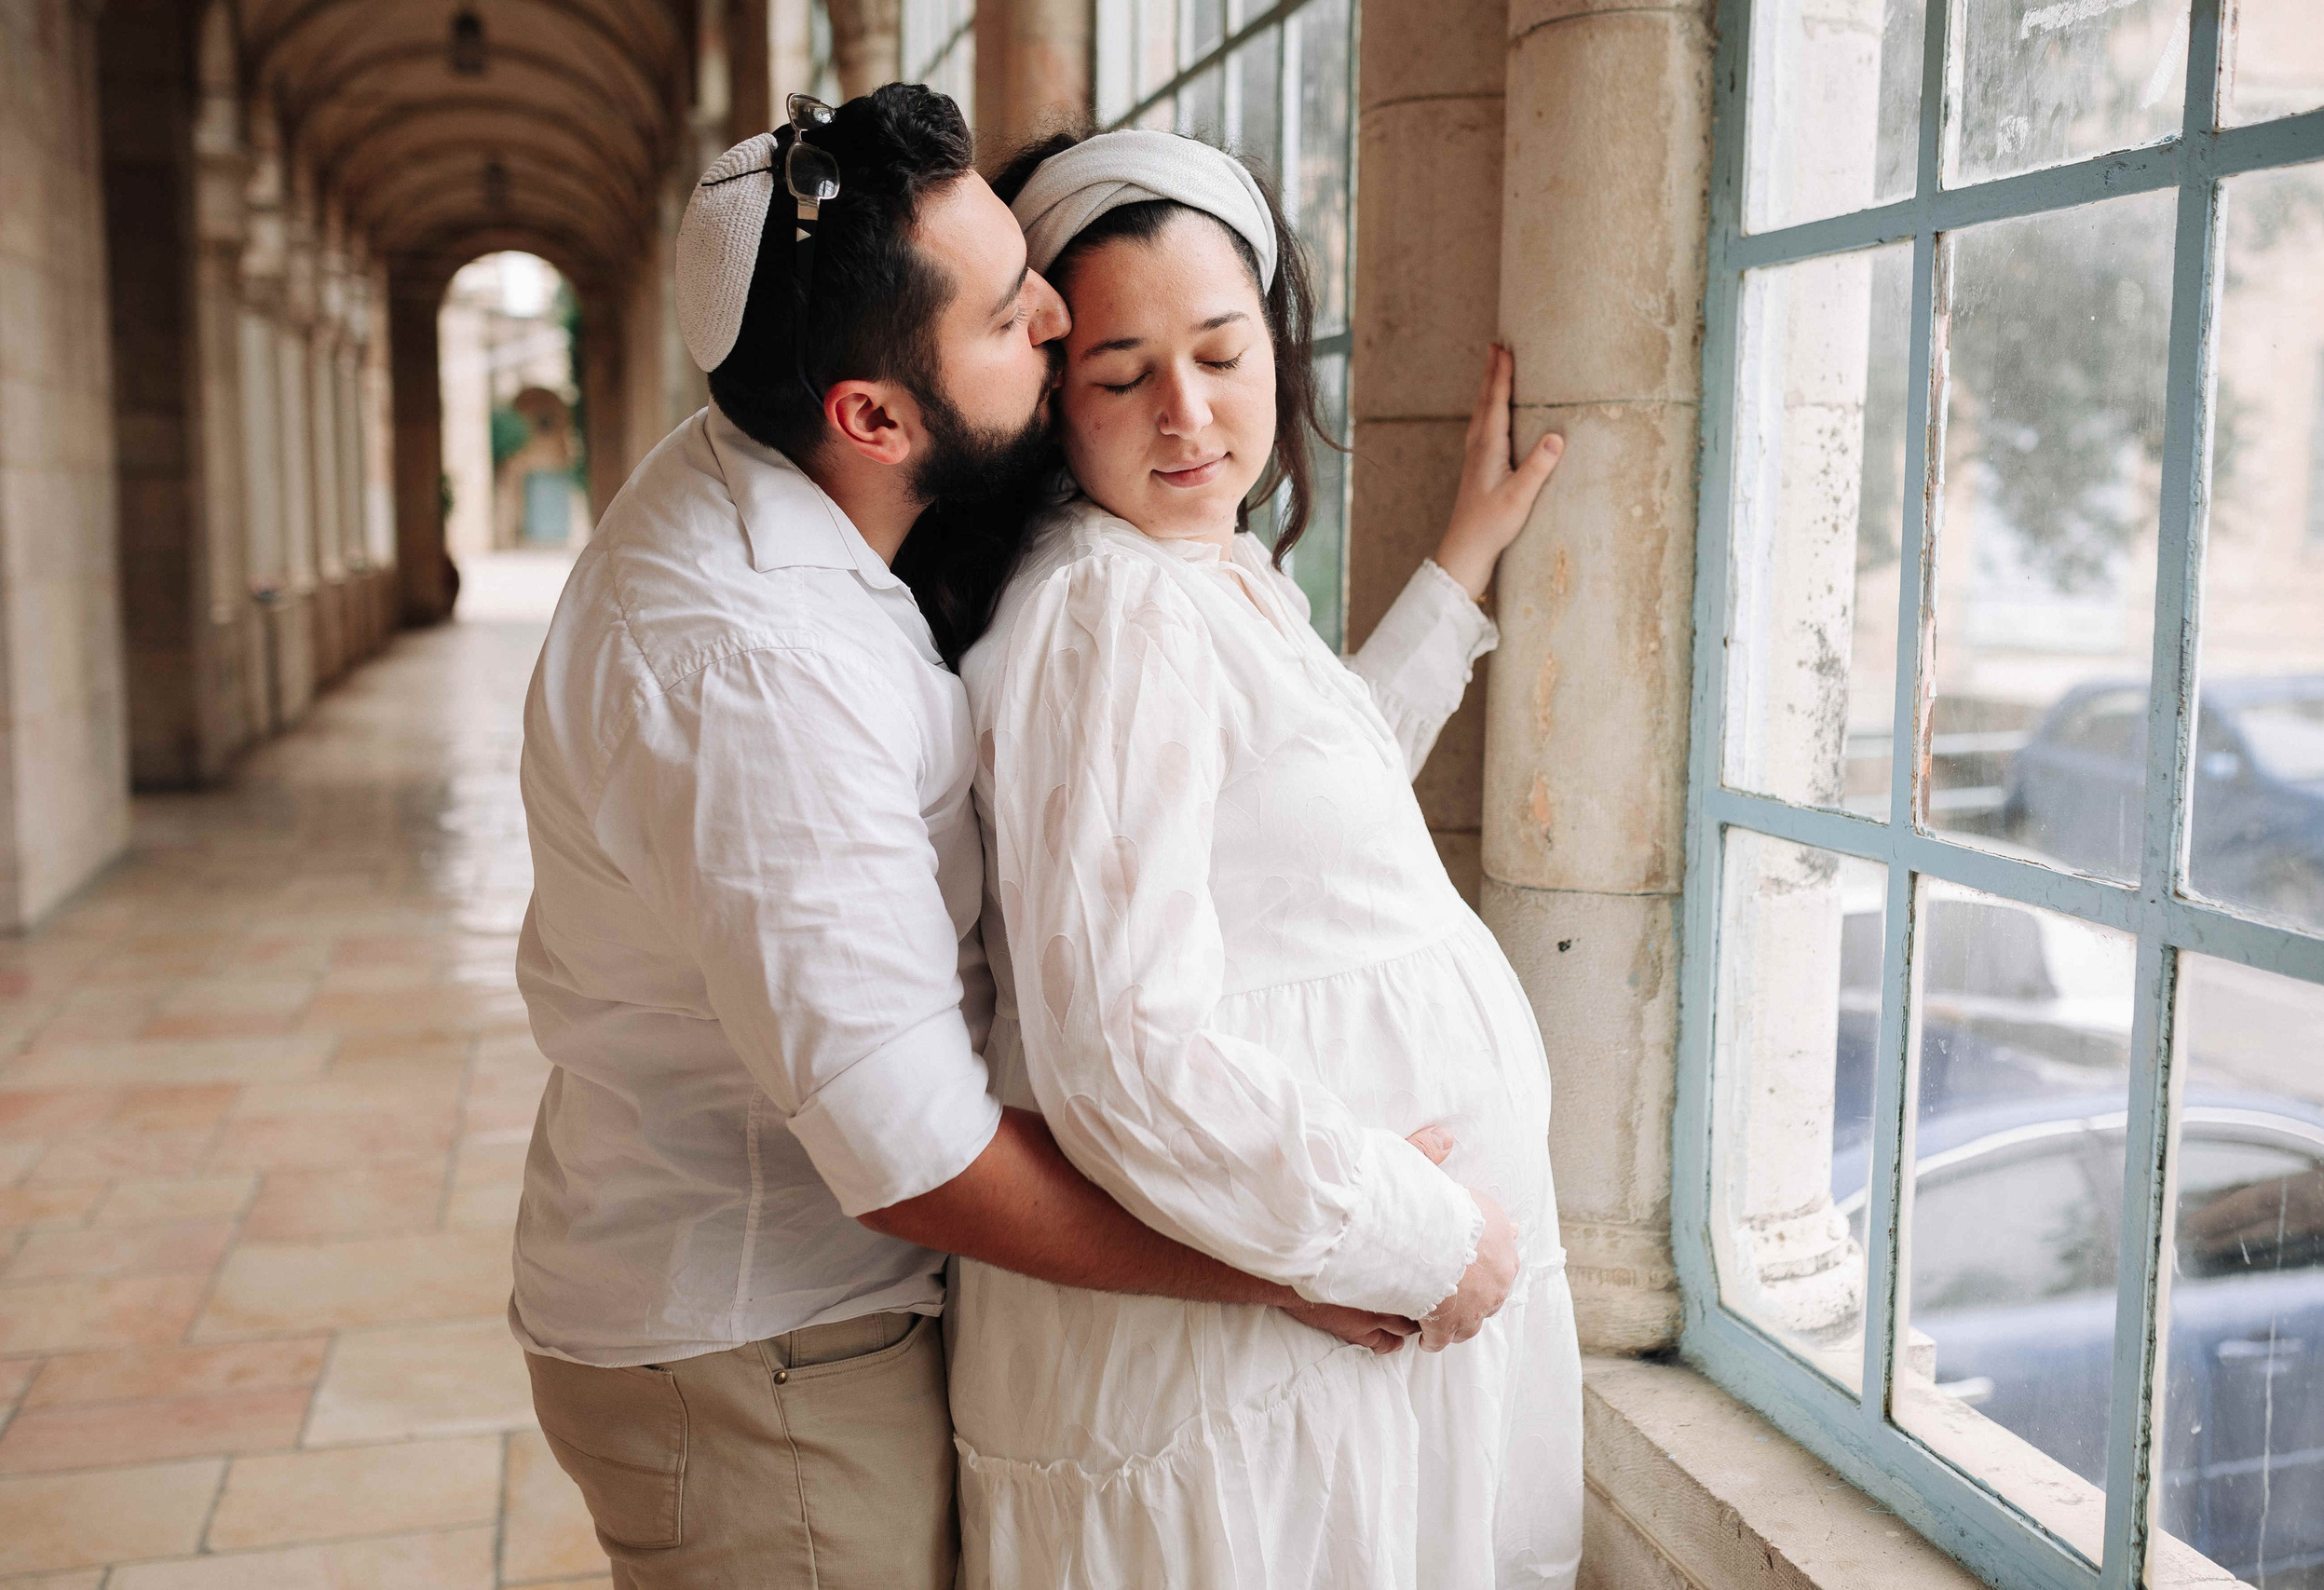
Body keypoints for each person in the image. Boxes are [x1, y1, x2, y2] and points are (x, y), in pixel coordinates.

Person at [509, 86, 1513, 1590]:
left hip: (813, 1317)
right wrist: (1297, 1259)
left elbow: (1287, 792)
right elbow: (918, 1153)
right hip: (764, 1352)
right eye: (1012, 316)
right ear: (873, 417)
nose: (1054, 314)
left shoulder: (808, 488)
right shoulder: (759, 675)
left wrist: (1454, 580)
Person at [932, 128, 1585, 1589]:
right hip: (1250, 1355)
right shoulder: (1113, 613)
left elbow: (1313, 808)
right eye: (1121, 377)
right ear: (1050, 399)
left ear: (1278, 353)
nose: (1187, 415)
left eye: (1223, 356)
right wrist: (1405, 1241)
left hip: (1303, 1332)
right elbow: (1123, 1050)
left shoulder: (1201, 574)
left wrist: (1459, 569)